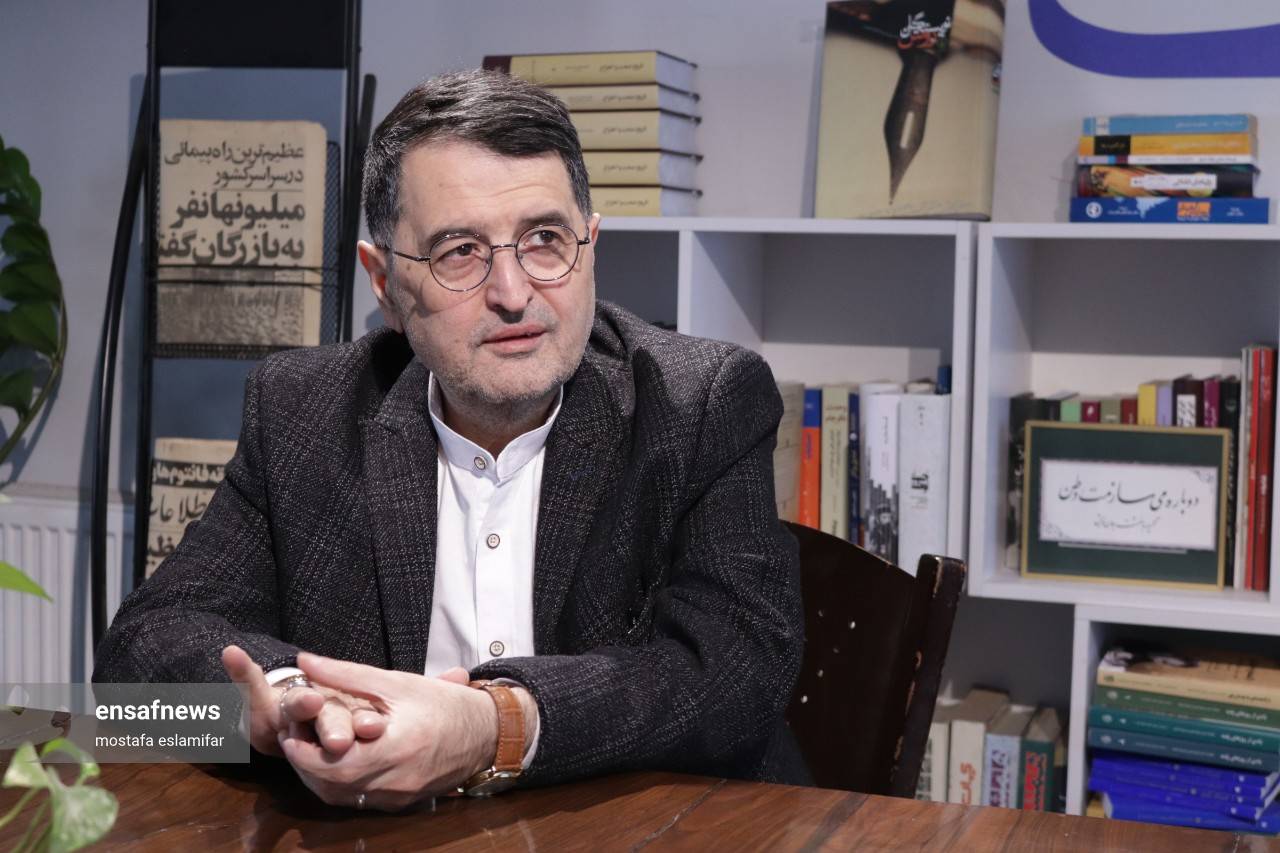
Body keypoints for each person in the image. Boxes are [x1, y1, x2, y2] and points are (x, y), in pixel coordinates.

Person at [94, 69, 805, 810]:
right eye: (460, 251)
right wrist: (288, 703)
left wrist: (492, 726)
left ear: (590, 248)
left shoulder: (699, 402)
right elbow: (129, 676)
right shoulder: (302, 411)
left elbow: (738, 678)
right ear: (384, 284)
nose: (513, 293)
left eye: (545, 240)